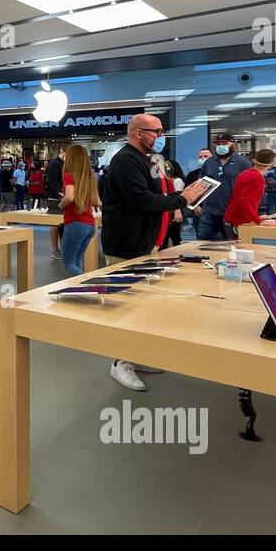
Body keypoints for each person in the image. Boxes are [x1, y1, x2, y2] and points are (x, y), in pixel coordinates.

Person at [100, 114, 207, 390]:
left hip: (147, 243)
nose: (160, 137)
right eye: (156, 132)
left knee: (143, 305)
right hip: (126, 245)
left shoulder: (148, 161)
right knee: (126, 305)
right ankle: (119, 361)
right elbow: (141, 199)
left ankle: (134, 354)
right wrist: (182, 200)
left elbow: (157, 193)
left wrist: (178, 199)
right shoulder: (125, 161)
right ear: (138, 133)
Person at [196, 134, 251, 239]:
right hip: (209, 212)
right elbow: (201, 183)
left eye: (224, 143)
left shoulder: (243, 163)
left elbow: (249, 188)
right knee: (202, 242)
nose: (221, 146)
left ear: (232, 144)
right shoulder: (209, 162)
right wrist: (197, 204)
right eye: (219, 144)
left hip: (231, 212)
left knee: (232, 243)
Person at [59, 143, 99, 276]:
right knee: (76, 261)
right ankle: (80, 292)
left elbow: (69, 197)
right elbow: (96, 202)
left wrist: (61, 204)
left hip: (75, 223)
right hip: (90, 225)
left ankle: (87, 285)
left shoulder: (69, 175)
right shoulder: (89, 177)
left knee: (68, 262)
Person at [223, 148, 276, 234]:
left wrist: (256, 217)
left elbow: (240, 199)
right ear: (272, 164)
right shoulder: (257, 179)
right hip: (239, 222)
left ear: (255, 160)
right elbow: (244, 201)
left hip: (232, 219)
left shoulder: (244, 173)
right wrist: (258, 221)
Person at [45, 152, 65, 257]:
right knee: (55, 223)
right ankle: (55, 249)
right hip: (55, 197)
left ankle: (63, 248)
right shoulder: (54, 163)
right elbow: (52, 181)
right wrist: (58, 194)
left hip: (63, 196)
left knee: (62, 223)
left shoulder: (63, 163)